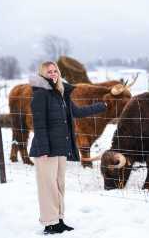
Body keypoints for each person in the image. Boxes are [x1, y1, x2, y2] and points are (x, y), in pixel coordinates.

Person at [29, 61, 107, 235]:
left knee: (59, 185)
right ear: (42, 74)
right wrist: (42, 149)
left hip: (60, 147)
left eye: (55, 70)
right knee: (47, 187)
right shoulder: (41, 94)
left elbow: (77, 112)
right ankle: (50, 223)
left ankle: (59, 219)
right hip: (45, 150)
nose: (53, 73)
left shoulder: (61, 93)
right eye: (49, 72)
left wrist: (102, 106)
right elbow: (39, 124)